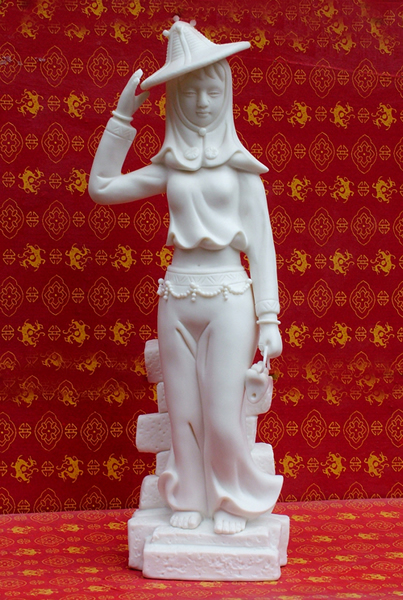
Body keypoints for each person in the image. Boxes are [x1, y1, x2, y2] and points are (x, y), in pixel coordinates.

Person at [89, 18, 283, 535]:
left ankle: (232, 497)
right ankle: (189, 496)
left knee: (221, 414)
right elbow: (102, 187)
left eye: (212, 91)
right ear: (175, 99)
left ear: (226, 95)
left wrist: (269, 319)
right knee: (184, 412)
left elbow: (262, 246)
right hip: (176, 295)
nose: (201, 102)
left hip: (230, 297)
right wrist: (122, 116)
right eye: (190, 92)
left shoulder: (242, 172)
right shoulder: (172, 167)